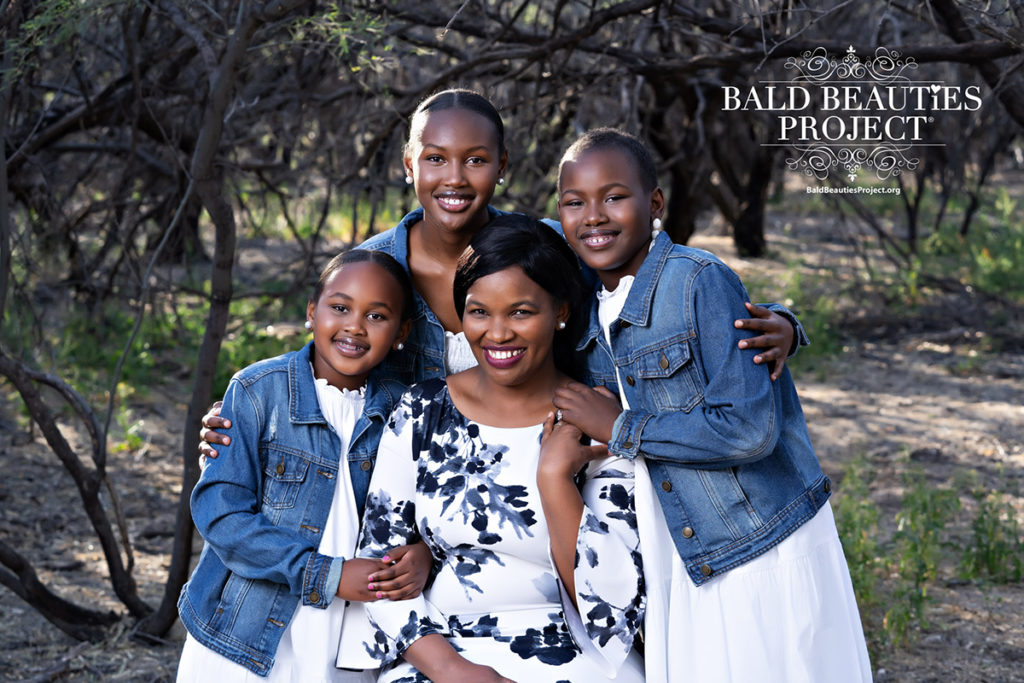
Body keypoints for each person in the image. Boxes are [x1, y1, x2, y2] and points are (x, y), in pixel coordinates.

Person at [198, 88, 801, 453]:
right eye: (435, 159)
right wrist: (247, 419)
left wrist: (781, 324)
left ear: (502, 165)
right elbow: (328, 358)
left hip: (551, 462)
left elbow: (641, 297)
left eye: (476, 160)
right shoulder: (377, 268)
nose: (455, 179)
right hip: (410, 483)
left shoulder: (545, 248)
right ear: (409, 164)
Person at [552, 127, 872, 682]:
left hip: (757, 535)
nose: (594, 216)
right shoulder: (583, 296)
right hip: (679, 544)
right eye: (574, 202)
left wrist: (624, 427)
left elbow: (748, 429)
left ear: (655, 203)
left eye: (614, 196)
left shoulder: (698, 280)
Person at [342, 214, 645, 683]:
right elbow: (380, 572)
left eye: (520, 312)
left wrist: (554, 480)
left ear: (560, 312)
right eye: (480, 312)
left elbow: (611, 604)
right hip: (443, 650)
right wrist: (454, 671)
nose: (498, 334)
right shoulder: (422, 411)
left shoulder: (597, 420)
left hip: (579, 652)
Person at [177, 250, 434, 682]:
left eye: (376, 316)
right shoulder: (258, 392)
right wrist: (327, 575)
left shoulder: (407, 408)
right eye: (340, 308)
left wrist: (424, 553)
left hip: (349, 634)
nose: (355, 326)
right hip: (244, 632)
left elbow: (430, 511)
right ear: (312, 312)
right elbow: (222, 517)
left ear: (401, 332)